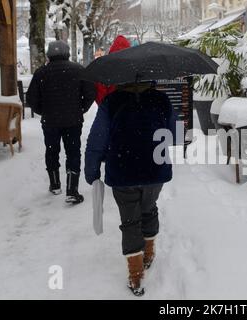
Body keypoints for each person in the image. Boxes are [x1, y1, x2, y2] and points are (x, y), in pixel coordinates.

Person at [85, 81, 175, 296]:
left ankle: (136, 276)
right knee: (149, 207)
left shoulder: (111, 101)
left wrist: (92, 170)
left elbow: (97, 140)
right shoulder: (162, 100)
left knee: (130, 220)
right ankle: (149, 252)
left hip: (122, 170)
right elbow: (173, 133)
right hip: (155, 170)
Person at [27, 40, 96, 204]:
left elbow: (31, 99)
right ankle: (72, 190)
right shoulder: (79, 70)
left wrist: (43, 111)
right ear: (67, 53)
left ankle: (55, 184)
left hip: (50, 121)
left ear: (49, 55)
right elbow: (90, 93)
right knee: (73, 152)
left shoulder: (41, 73)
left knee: (52, 150)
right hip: (73, 120)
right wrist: (81, 109)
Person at [94, 35, 131, 106]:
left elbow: (100, 93)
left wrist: (105, 107)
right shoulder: (133, 67)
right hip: (130, 109)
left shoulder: (104, 68)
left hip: (110, 108)